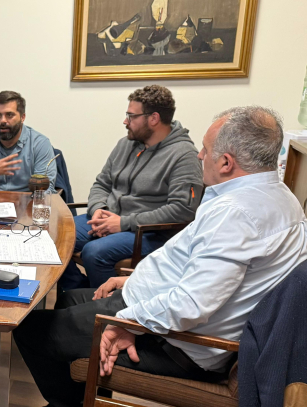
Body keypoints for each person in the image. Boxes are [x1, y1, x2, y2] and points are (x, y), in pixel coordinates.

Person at [13, 106, 307, 407]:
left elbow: (193, 304)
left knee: (28, 326)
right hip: (163, 312)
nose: (199, 155)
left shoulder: (237, 215)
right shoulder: (274, 196)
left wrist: (127, 323)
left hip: (175, 341)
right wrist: (134, 281)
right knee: (69, 299)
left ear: (227, 162)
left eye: (205, 149)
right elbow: (194, 269)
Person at [59, 85, 203, 290]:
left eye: (131, 116)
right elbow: (102, 183)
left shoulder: (184, 155)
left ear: (153, 119)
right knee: (54, 234)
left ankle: (108, 309)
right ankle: (76, 296)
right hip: (110, 218)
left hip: (149, 232)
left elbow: (182, 210)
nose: (125, 121)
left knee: (94, 252)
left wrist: (124, 223)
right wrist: (99, 209)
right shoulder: (125, 144)